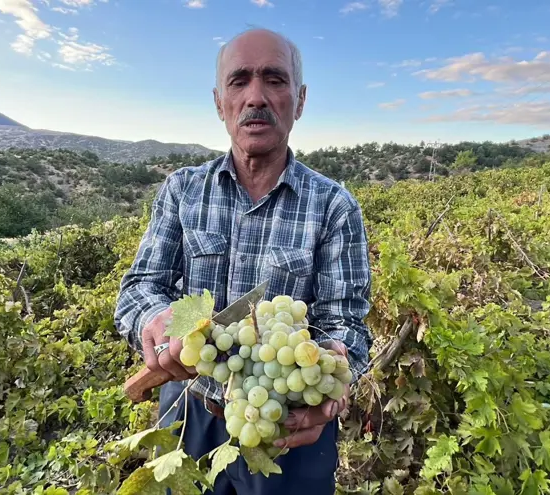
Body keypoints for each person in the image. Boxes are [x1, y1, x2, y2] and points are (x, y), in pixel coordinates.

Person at [113, 28, 373, 494]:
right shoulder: (182, 191)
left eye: (275, 79)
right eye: (239, 81)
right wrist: (155, 319)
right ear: (219, 102)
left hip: (286, 423)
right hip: (190, 412)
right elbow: (140, 287)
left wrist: (332, 386)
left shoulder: (334, 206)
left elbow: (346, 325)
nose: (256, 96)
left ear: (300, 99)